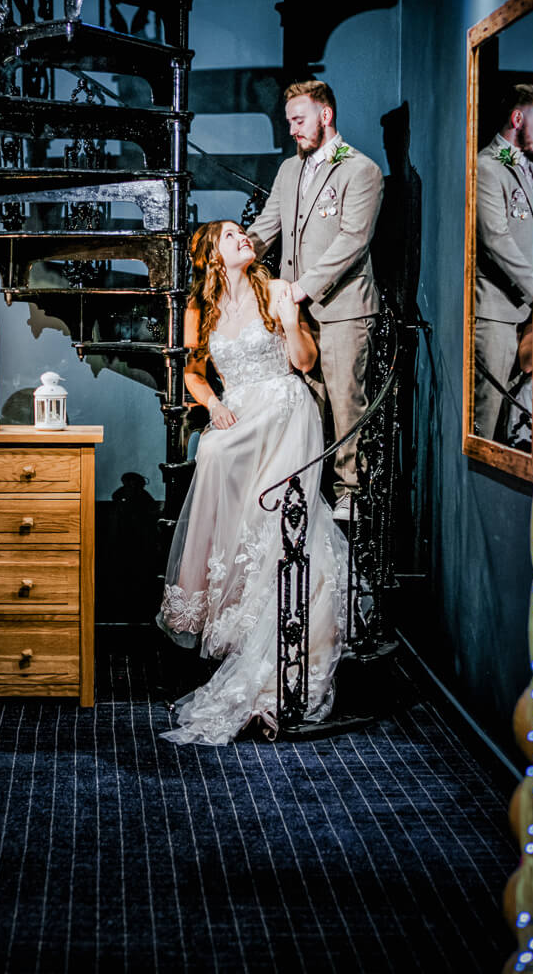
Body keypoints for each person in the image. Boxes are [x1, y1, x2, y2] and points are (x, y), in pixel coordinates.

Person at [156, 220, 352, 745]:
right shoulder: (201, 308)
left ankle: (282, 658)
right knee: (213, 450)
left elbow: (304, 363)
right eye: (230, 236)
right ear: (213, 256)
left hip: (287, 409)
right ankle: (244, 632)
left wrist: (291, 321)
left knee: (280, 524)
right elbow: (193, 372)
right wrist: (213, 404)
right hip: (239, 409)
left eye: (245, 232)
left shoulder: (279, 288)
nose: (244, 238)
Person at [246, 80, 385, 520]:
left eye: (299, 119)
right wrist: (231, 253)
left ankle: (351, 492)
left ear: (326, 116)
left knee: (345, 402)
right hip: (296, 314)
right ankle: (307, 489)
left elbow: (352, 242)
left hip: (344, 310)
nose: (292, 129)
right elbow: (268, 226)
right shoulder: (290, 170)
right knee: (305, 403)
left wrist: (301, 287)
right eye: (289, 121)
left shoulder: (362, 170)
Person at [473, 82, 533, 447]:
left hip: (527, 311)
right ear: (517, 118)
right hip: (496, 313)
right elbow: (496, 239)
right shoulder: (487, 167)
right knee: (489, 412)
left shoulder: (530, 168)